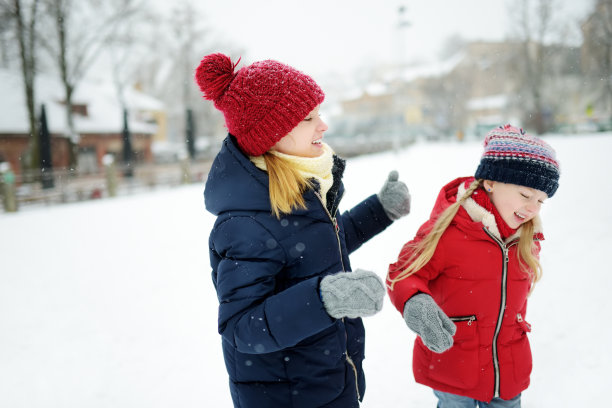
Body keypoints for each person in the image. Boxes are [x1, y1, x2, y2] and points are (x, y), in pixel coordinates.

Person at [195, 53, 411, 408]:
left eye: (319, 113)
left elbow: (321, 245)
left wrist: (379, 211)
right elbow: (241, 328)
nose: (323, 125)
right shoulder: (244, 223)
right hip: (289, 396)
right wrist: (326, 298)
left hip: (330, 382)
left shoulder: (302, 190)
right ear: (272, 135)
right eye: (308, 117)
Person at [386, 124, 560, 408]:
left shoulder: (526, 239)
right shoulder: (450, 230)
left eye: (541, 200)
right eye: (526, 195)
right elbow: (403, 273)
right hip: (454, 365)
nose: (533, 208)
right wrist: (415, 301)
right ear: (490, 182)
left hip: (508, 371)